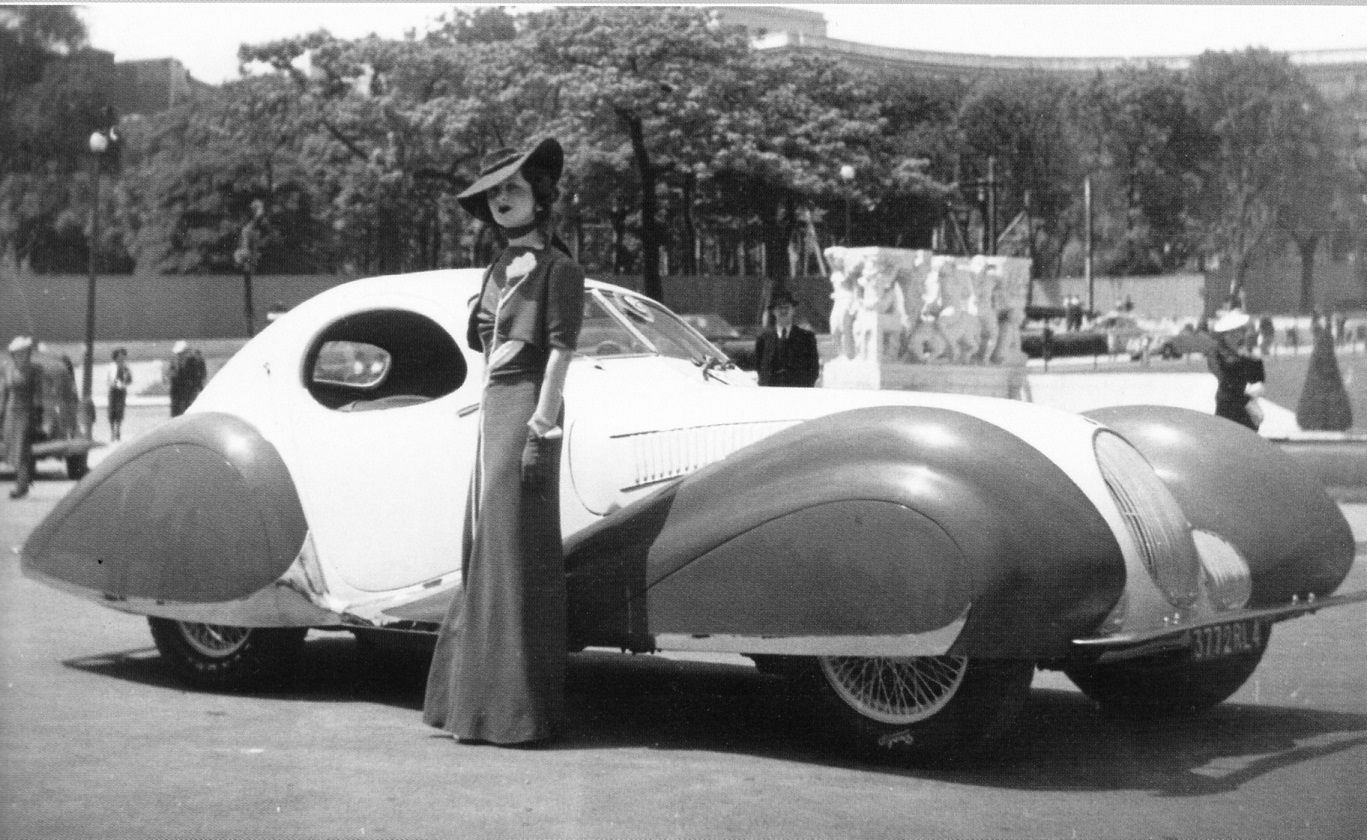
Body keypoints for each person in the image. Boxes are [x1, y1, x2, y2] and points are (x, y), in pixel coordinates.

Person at [424, 137, 584, 746]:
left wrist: (541, 426)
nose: (501, 200)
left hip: (526, 410)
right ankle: (474, 705)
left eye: (513, 190)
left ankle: (514, 712)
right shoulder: (496, 268)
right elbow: (485, 347)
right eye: (494, 193)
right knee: (485, 544)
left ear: (541, 199)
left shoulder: (560, 270)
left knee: (513, 549)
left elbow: (561, 352)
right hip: (493, 409)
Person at [1207, 309, 1266, 430]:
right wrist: (1247, 403)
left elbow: (1258, 378)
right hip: (1229, 405)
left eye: (1240, 332)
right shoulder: (1217, 354)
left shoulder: (1244, 352)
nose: (1239, 336)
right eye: (1233, 333)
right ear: (1225, 336)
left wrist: (1256, 360)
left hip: (1245, 405)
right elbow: (1227, 382)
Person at [755, 290, 821, 387]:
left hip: (798, 393)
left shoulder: (807, 338)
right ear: (773, 311)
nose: (783, 311)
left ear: (793, 310)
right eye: (779, 308)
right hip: (771, 393)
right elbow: (759, 368)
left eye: (787, 307)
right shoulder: (763, 339)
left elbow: (813, 369)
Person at [1, 336, 40, 498]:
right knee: (13, 449)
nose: (20, 355)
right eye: (17, 353)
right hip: (11, 413)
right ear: (13, 354)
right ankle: (25, 480)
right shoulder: (7, 369)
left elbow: (38, 394)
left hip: (25, 413)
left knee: (22, 450)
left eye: (23, 352)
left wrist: (39, 415)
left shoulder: (34, 370)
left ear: (28, 353)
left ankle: (21, 486)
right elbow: (4, 392)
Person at [165, 340, 206, 417]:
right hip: (190, 389)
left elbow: (174, 373)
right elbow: (202, 375)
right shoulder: (196, 358)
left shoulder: (184, 359)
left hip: (182, 390)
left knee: (181, 409)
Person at [107, 347, 132, 442]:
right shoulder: (111, 366)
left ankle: (118, 431)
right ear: (116, 357)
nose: (122, 358)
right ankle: (112, 432)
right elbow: (109, 379)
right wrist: (113, 383)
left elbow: (130, 380)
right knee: (111, 411)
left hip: (121, 391)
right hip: (113, 390)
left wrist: (124, 383)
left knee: (119, 411)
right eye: (120, 356)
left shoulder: (126, 367)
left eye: (123, 356)